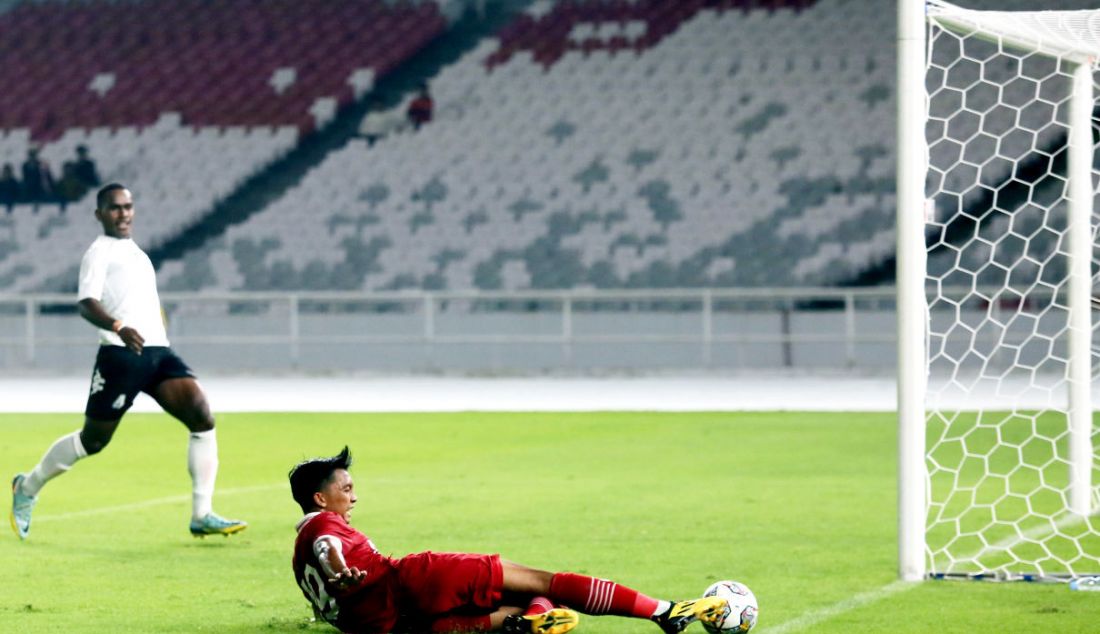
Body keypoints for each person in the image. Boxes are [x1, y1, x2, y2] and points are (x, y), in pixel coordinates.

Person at [10, 183, 247, 540]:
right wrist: (118, 327)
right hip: (120, 355)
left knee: (202, 417)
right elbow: (85, 303)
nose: (123, 213)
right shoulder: (99, 252)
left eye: (128, 206)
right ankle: (26, 488)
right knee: (93, 441)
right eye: (115, 208)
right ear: (99, 214)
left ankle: (201, 514)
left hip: (157, 352)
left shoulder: (135, 252)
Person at [289, 447, 728, 634]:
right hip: (417, 579)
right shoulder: (323, 531)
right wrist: (339, 571)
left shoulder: (298, 550)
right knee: (545, 584)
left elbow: (324, 581)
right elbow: (331, 552)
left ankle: (525, 625)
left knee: (526, 612)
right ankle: (665, 612)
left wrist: (336, 587)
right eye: (346, 488)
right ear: (319, 497)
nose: (354, 495)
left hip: (386, 624)